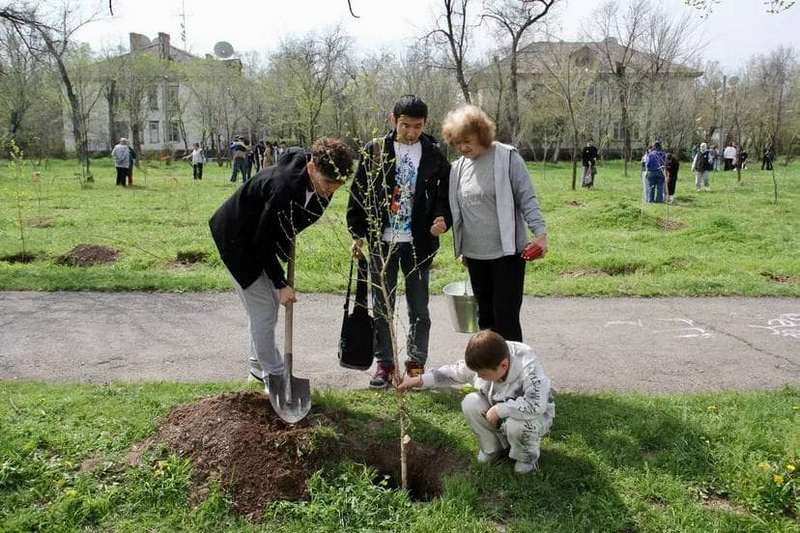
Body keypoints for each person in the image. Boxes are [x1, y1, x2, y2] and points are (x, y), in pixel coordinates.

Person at [210, 138, 354, 386]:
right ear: (311, 168)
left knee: (263, 311)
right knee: (265, 309)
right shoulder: (283, 189)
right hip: (237, 240)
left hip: (260, 237)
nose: (332, 190)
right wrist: (280, 283)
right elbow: (262, 240)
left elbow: (284, 225)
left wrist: (284, 249)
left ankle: (257, 367)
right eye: (328, 183)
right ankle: (275, 376)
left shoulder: (321, 181)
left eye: (338, 185)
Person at [347, 95, 452, 388]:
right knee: (382, 306)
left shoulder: (433, 152)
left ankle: (416, 364)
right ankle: (385, 364)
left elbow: (446, 195)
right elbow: (359, 193)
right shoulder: (376, 150)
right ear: (393, 120)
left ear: (425, 124)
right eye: (405, 125)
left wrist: (443, 219)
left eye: (417, 126)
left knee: (419, 307)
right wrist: (357, 233)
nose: (411, 132)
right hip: (384, 242)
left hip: (419, 243)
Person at [442, 104, 547, 344]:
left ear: (482, 134)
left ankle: (514, 372)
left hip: (507, 254)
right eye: (457, 143)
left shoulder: (507, 157)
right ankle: (490, 373)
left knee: (506, 318)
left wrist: (540, 234)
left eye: (467, 141)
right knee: (486, 319)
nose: (463, 147)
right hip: (475, 255)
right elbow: (459, 212)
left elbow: (527, 197)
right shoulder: (458, 169)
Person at [398, 330, 555, 475]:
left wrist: (501, 409)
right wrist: (418, 380)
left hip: (532, 416)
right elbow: (452, 373)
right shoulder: (485, 358)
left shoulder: (529, 368)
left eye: (483, 374)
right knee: (470, 402)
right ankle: (493, 448)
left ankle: (526, 458)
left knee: (518, 426)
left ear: (504, 365)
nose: (478, 377)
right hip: (497, 405)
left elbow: (536, 404)